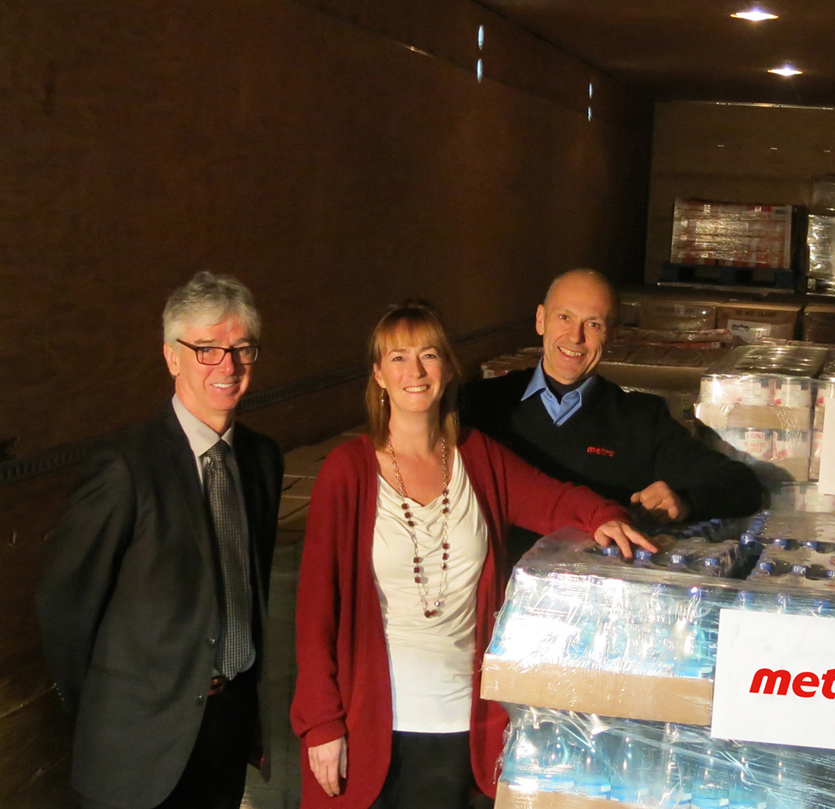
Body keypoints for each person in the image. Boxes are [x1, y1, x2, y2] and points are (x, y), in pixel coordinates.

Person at [290, 301, 654, 809]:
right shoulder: (347, 471)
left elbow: (554, 499)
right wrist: (320, 722)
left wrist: (603, 516)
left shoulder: (477, 457)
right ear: (378, 374)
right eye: (398, 358)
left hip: (465, 724)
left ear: (448, 368)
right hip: (371, 723)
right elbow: (314, 609)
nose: (415, 372)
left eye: (429, 355)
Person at [38, 272, 284, 809]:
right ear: (172, 358)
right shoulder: (125, 467)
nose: (228, 366)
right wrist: (108, 713)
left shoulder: (262, 459)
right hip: (137, 744)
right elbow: (66, 608)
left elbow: (250, 591)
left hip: (226, 726)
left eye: (242, 349)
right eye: (207, 349)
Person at [460, 268, 763, 526]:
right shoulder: (481, 405)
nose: (575, 337)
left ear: (614, 335)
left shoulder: (640, 420)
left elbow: (742, 486)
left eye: (593, 324)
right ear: (541, 320)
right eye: (564, 317)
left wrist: (684, 502)